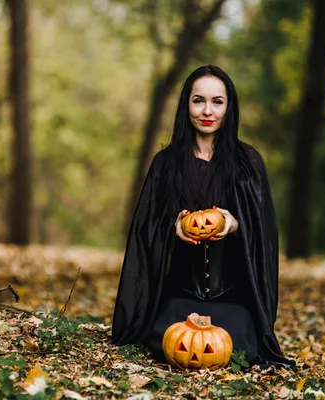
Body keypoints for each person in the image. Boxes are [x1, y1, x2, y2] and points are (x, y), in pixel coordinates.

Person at [112, 65, 294, 369]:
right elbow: (144, 229)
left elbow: (264, 232)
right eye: (198, 100)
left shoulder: (247, 163)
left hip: (232, 300)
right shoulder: (166, 163)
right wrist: (172, 227)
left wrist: (235, 225)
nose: (207, 110)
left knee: (238, 341)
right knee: (166, 335)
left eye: (217, 102)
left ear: (229, 107)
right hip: (180, 298)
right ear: (187, 105)